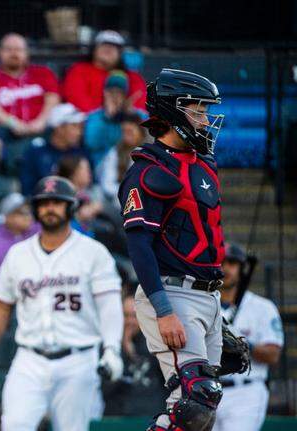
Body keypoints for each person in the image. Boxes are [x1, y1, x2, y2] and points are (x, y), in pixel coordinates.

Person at [118, 69, 234, 430]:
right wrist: (164, 310)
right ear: (172, 112)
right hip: (170, 292)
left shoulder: (203, 165)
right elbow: (139, 246)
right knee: (197, 398)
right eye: (197, 110)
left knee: (196, 408)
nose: (204, 119)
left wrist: (216, 311)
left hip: (207, 295)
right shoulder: (148, 170)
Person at [0, 176, 123, 431]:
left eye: (57, 202)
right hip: (30, 358)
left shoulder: (93, 252)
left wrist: (112, 348)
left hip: (78, 357)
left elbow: (109, 304)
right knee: (15, 424)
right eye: (44, 203)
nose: (50, 208)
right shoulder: (18, 254)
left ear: (70, 207)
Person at [213, 243, 283, 431]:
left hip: (245, 392)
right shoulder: (203, 305)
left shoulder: (262, 307)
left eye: (232, 263)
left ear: (241, 268)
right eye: (221, 262)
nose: (226, 268)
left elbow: (273, 355)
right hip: (207, 390)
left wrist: (241, 343)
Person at [0, 33, 60, 140]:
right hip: (7, 131)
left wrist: (41, 121)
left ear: (26, 53)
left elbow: (53, 98)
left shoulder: (43, 73)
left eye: (18, 49)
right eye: (8, 49)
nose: (14, 53)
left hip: (43, 127)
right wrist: (13, 123)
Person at [102, 294, 168, 416]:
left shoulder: (155, 343)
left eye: (134, 316)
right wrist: (123, 350)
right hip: (117, 416)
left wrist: (133, 354)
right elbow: (105, 388)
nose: (129, 321)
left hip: (149, 415)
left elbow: (165, 383)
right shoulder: (109, 346)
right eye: (125, 316)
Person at [61, 30, 146, 113]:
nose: (108, 48)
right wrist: (100, 118)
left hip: (124, 122)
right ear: (94, 50)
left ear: (120, 55)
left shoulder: (132, 77)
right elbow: (75, 97)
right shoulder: (79, 69)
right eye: (104, 44)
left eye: (114, 47)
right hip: (86, 120)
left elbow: (139, 102)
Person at [84, 71, 147, 169]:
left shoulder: (138, 115)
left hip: (133, 166)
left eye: (119, 93)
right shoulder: (95, 117)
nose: (115, 97)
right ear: (104, 94)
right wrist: (109, 118)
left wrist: (131, 117)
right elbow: (92, 143)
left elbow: (147, 140)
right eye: (111, 92)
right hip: (102, 169)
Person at [19, 103, 87, 195]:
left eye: (80, 127)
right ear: (59, 128)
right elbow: (27, 188)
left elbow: (87, 185)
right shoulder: (36, 153)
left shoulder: (79, 152)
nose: (79, 132)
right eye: (74, 126)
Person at [0, 192, 39, 287]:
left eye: (29, 212)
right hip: (6, 292)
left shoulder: (38, 231)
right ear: (7, 217)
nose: (28, 217)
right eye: (23, 213)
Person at [97, 112, 147, 199]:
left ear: (140, 131)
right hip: (121, 198)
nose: (126, 136)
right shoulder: (115, 151)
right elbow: (107, 184)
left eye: (130, 131)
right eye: (124, 131)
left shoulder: (150, 151)